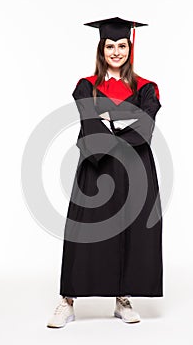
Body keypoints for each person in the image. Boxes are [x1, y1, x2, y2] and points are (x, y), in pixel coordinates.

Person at [47, 17, 163, 328]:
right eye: (110, 46)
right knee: (84, 233)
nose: (116, 51)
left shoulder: (146, 87)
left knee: (131, 231)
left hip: (136, 171)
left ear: (130, 48)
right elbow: (90, 122)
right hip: (96, 170)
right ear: (102, 48)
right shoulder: (87, 85)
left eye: (121, 46)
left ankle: (122, 298)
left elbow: (145, 125)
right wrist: (122, 120)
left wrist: (111, 118)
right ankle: (68, 301)